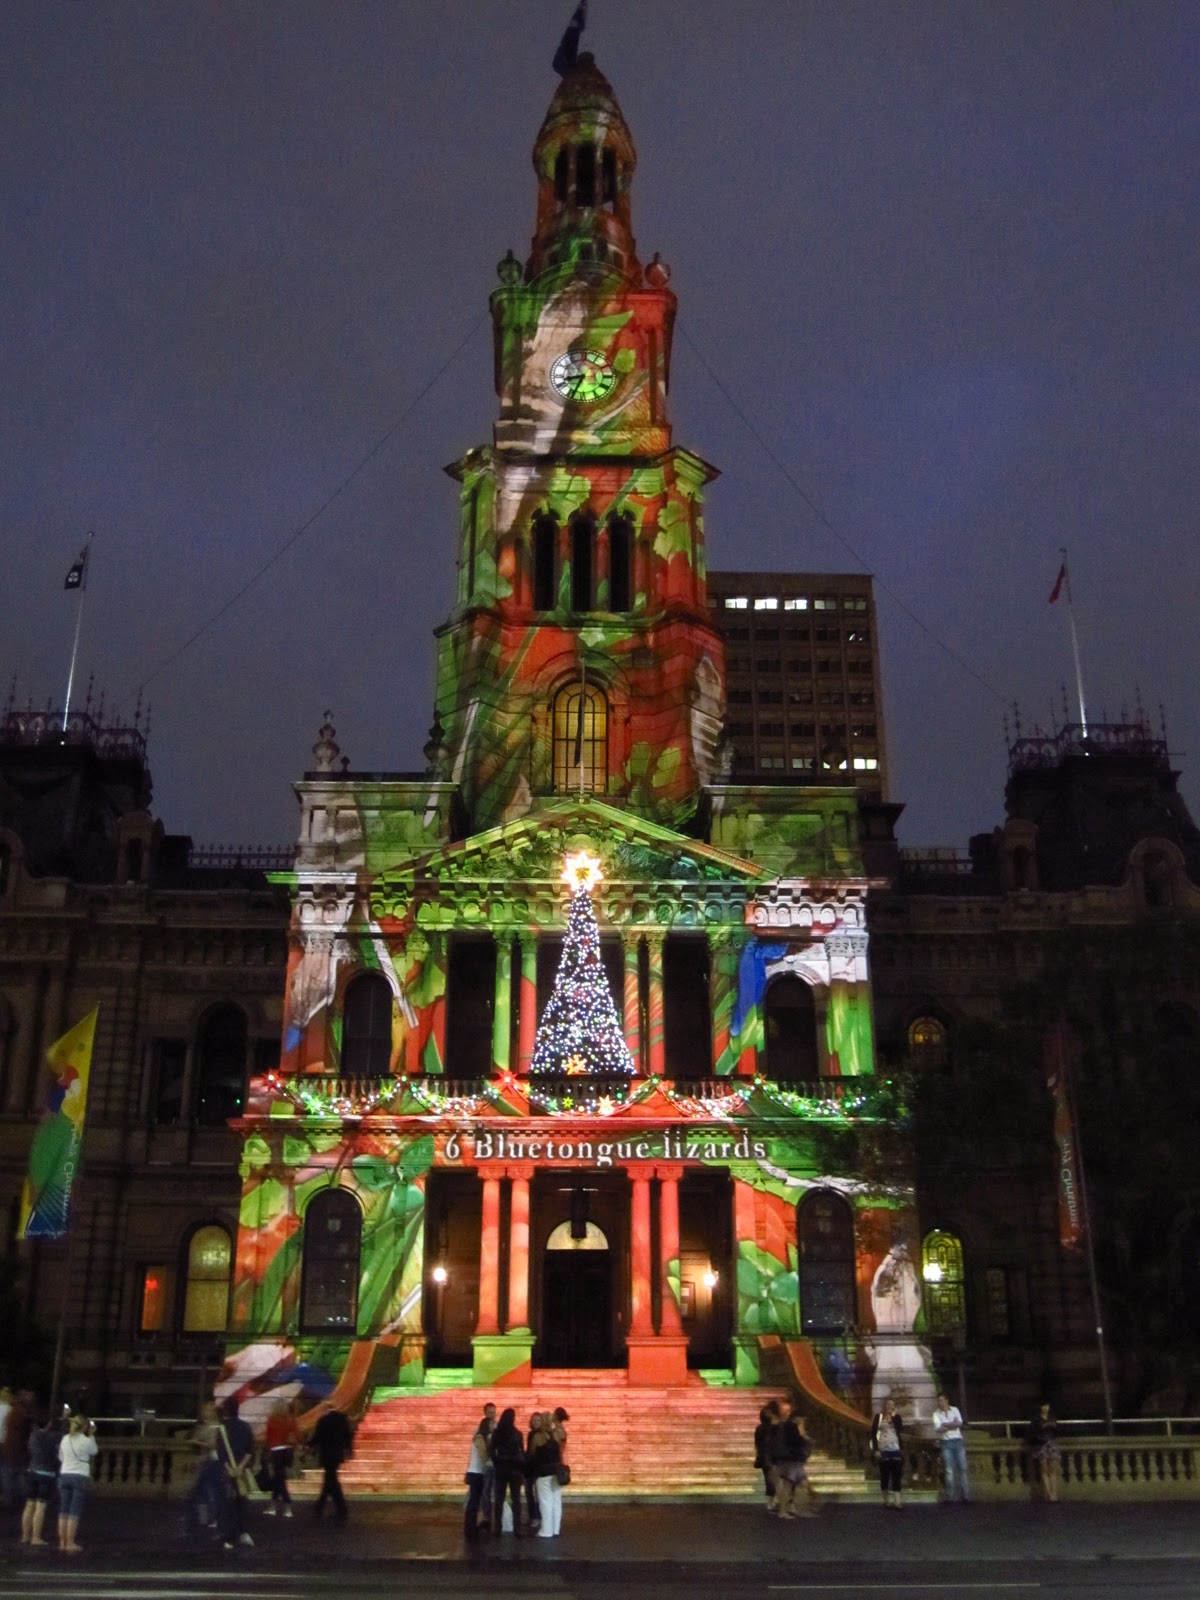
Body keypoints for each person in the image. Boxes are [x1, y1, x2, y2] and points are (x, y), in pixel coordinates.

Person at [216, 1397, 256, 1549]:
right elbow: (250, 1450)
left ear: (226, 1410)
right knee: (242, 1503)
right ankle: (243, 1532)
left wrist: (230, 1469)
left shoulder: (222, 1428)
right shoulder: (245, 1427)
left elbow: (221, 1453)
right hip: (242, 1471)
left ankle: (228, 1537)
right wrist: (240, 1467)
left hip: (228, 1472)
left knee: (227, 1505)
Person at [768, 1398, 818, 1518]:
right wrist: (804, 1438)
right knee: (790, 1485)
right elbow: (796, 1441)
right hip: (792, 1459)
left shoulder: (784, 1426)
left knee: (799, 1484)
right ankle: (785, 1510)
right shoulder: (790, 1427)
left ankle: (793, 1508)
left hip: (791, 1459)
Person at [57, 1411, 98, 1553]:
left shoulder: (65, 1439)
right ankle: (70, 1542)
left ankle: (62, 1542)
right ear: (85, 1426)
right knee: (74, 1511)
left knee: (63, 1510)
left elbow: (61, 1457)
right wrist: (91, 1435)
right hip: (80, 1476)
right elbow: (94, 1451)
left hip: (65, 1475)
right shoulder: (86, 1440)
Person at [183, 1401, 223, 1539]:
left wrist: (197, 1442)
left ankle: (213, 1519)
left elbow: (212, 1445)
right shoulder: (203, 1425)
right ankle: (205, 1518)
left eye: (209, 1410)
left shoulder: (215, 1426)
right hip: (204, 1461)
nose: (207, 1413)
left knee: (210, 1492)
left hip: (212, 1462)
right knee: (202, 1493)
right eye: (205, 1410)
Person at [20, 1413, 59, 1546]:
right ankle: (36, 1537)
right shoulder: (52, 1437)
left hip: (32, 1471)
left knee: (29, 1504)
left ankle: (25, 1536)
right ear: (49, 1424)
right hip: (46, 1474)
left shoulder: (33, 1436)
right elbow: (55, 1454)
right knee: (40, 1506)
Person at [311, 1404, 353, 1522]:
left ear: (325, 1409)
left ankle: (332, 1507)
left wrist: (308, 1445)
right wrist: (349, 1450)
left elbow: (317, 1437)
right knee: (331, 1479)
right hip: (337, 1454)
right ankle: (326, 1506)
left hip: (326, 1454)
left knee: (330, 1479)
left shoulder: (323, 1420)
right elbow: (348, 1436)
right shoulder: (342, 1419)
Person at [488, 1407, 525, 1536]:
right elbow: (522, 1452)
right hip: (515, 1469)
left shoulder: (497, 1433)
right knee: (516, 1500)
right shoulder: (518, 1434)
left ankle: (497, 1528)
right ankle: (517, 1529)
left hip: (501, 1468)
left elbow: (491, 1451)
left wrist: (497, 1462)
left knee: (499, 1499)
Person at [263, 1398, 299, 1517]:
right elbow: (296, 1435)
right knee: (279, 1479)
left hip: (276, 1451)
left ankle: (287, 1505)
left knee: (279, 1480)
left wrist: (267, 1452)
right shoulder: (291, 1420)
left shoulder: (271, 1419)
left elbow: (268, 1437)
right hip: (286, 1451)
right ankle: (273, 1505)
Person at [932, 1391, 969, 1503]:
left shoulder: (955, 1410)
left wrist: (946, 1424)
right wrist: (952, 1424)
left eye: (941, 1400)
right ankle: (950, 1496)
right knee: (949, 1470)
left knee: (963, 1468)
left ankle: (965, 1495)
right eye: (938, 1401)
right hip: (946, 1442)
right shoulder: (936, 1414)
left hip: (958, 1441)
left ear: (947, 1401)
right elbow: (938, 1428)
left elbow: (959, 1423)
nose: (940, 1403)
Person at [869, 1395, 905, 1508]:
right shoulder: (879, 1417)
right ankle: (886, 1500)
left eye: (892, 1405)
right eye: (888, 1404)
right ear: (884, 1406)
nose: (890, 1406)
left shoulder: (897, 1417)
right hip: (883, 1449)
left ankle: (897, 1501)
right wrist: (876, 1449)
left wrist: (893, 1416)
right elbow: (873, 1434)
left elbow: (899, 1428)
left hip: (895, 1448)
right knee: (885, 1475)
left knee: (896, 1475)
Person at [463, 1407, 493, 1539]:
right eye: (491, 1425)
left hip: (477, 1472)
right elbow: (483, 1456)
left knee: (475, 1502)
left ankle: (471, 1527)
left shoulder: (481, 1437)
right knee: (473, 1502)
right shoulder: (480, 1438)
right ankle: (470, 1528)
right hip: (476, 1473)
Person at [1027, 1402, 1060, 1503]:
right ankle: (1049, 1494)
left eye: (1047, 1406)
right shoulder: (1036, 1419)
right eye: (1044, 1406)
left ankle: (1054, 1493)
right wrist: (1043, 1427)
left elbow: (1057, 1431)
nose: (1046, 1408)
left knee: (1053, 1468)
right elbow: (1032, 1432)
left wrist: (1053, 1426)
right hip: (1041, 1445)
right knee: (1044, 1469)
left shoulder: (1052, 1417)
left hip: (1051, 1443)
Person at [754, 1401, 779, 1511]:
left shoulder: (760, 1428)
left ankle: (771, 1501)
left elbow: (757, 1444)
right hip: (772, 1457)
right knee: (773, 1479)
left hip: (765, 1457)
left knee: (769, 1479)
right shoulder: (774, 1428)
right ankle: (773, 1500)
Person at [523, 1411, 543, 1531]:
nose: (535, 1422)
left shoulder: (541, 1435)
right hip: (530, 1468)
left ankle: (536, 1517)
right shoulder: (531, 1434)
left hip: (537, 1468)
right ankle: (532, 1516)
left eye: (538, 1420)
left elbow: (532, 1452)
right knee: (529, 1493)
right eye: (534, 1420)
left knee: (536, 1494)